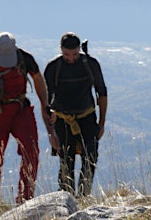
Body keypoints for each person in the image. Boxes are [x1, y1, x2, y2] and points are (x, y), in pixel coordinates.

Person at [0, 32, 52, 214]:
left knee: (31, 152)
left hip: (20, 109)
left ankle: (25, 203)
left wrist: (45, 105)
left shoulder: (24, 58)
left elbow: (39, 80)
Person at [43, 32, 108, 197]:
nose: (71, 58)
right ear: (60, 50)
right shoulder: (53, 67)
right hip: (62, 119)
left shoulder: (90, 64)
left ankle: (84, 195)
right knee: (66, 159)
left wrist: (101, 123)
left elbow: (102, 93)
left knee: (90, 157)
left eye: (74, 54)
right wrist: (51, 132)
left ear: (79, 49)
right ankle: (67, 197)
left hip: (87, 117)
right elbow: (46, 101)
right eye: (66, 54)